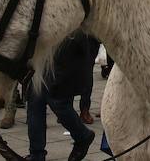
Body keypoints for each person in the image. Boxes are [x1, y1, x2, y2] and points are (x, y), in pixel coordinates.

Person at [25, 33, 97, 161]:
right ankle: (36, 154)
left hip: (70, 43)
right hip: (49, 46)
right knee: (36, 100)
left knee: (58, 101)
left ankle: (82, 135)